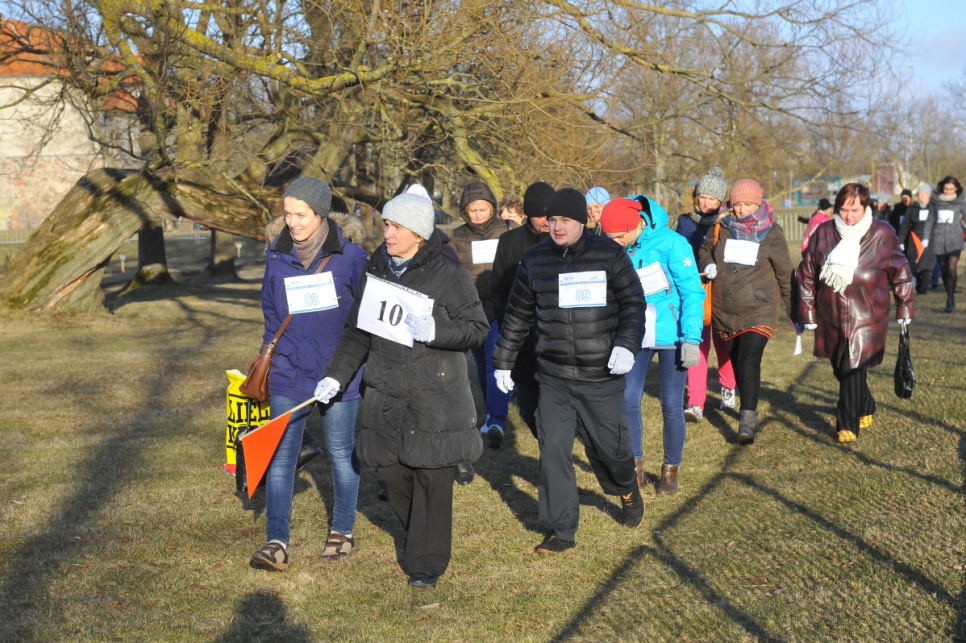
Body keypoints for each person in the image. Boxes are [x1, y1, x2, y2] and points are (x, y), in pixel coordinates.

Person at [316, 193, 488, 588]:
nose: (387, 232)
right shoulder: (377, 266)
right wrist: (336, 376)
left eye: (395, 226)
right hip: (387, 392)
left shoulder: (448, 271)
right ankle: (423, 533)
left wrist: (436, 330)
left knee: (432, 478)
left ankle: (425, 564)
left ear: (418, 234)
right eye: (387, 224)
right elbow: (357, 331)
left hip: (436, 394)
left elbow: (477, 328)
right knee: (391, 474)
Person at [492, 188, 647, 553]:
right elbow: (517, 316)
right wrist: (503, 361)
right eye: (552, 220)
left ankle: (626, 487)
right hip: (554, 376)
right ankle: (560, 529)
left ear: (581, 221)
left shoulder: (609, 254)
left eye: (565, 220)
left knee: (610, 450)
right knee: (554, 450)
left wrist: (626, 344)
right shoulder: (534, 260)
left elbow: (633, 303)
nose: (557, 227)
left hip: (601, 374)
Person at [249, 177, 368, 572]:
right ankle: (276, 541)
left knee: (340, 452)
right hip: (289, 370)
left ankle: (342, 530)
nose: (293, 222)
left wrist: (347, 368)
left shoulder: (351, 256)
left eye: (300, 214)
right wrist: (273, 355)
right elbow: (271, 313)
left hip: (338, 372)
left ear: (320, 213)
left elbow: (362, 317)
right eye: (287, 214)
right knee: (281, 456)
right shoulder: (276, 255)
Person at [796, 182, 914, 443]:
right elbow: (806, 274)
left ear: (866, 208)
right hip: (830, 313)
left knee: (852, 366)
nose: (848, 216)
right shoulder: (824, 232)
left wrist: (904, 306)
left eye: (855, 210)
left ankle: (846, 425)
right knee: (841, 367)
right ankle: (866, 403)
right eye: (843, 210)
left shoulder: (882, 233)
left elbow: (902, 271)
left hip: (868, 314)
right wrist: (807, 312)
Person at [601, 196, 704, 493]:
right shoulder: (612, 247)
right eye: (609, 238)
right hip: (635, 334)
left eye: (619, 237)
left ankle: (670, 470)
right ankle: (635, 467)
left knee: (671, 403)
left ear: (636, 225)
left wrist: (691, 337)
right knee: (628, 398)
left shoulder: (672, 243)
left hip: (673, 335)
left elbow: (692, 291)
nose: (614, 243)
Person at [699, 178, 793, 445]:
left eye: (747, 204)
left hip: (759, 307)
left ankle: (747, 419)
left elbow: (785, 273)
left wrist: (795, 308)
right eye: (736, 204)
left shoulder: (772, 232)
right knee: (739, 361)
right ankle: (750, 405)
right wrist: (707, 264)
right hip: (725, 310)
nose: (740, 210)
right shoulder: (721, 226)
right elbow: (705, 250)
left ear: (758, 203)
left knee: (749, 358)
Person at [491, 181, 555, 438]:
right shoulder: (509, 242)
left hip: (555, 339)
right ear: (528, 214)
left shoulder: (562, 242)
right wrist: (506, 324)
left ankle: (552, 451)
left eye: (550, 215)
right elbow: (498, 288)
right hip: (522, 339)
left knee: (553, 408)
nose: (547, 221)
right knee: (528, 409)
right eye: (540, 215)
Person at [451, 181, 512, 450]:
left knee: (495, 362)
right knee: (482, 365)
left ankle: (496, 419)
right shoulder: (456, 236)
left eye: (482, 209)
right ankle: (491, 415)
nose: (477, 214)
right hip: (472, 311)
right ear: (465, 211)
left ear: (492, 208)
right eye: (472, 209)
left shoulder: (506, 230)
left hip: (500, 308)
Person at [675, 167, 737, 421]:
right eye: (702, 197)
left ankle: (728, 388)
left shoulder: (728, 223)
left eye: (711, 199)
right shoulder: (684, 221)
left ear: (720, 201)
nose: (705, 203)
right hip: (694, 288)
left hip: (720, 288)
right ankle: (695, 402)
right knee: (697, 343)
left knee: (723, 343)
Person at [930, 176, 966, 312]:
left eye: (951, 189)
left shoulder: (960, 202)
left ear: (956, 189)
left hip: (955, 239)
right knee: (944, 269)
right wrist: (925, 238)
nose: (948, 191)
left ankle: (950, 299)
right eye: (946, 189)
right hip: (938, 239)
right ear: (942, 187)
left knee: (951, 268)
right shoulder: (935, 202)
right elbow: (930, 220)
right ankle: (949, 292)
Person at [896, 184, 937, 294]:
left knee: (926, 266)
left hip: (930, 242)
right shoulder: (912, 209)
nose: (922, 196)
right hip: (914, 241)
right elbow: (904, 226)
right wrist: (901, 241)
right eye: (920, 194)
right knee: (914, 265)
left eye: (925, 194)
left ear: (929, 196)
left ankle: (923, 288)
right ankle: (916, 283)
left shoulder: (933, 208)